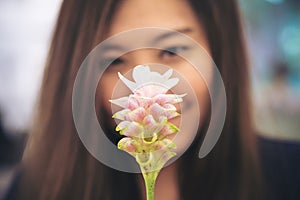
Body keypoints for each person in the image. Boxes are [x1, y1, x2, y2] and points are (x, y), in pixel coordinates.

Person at [5, 0, 267, 199]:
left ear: (219, 49)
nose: (146, 89)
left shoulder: (289, 173)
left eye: (172, 51)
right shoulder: (33, 189)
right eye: (114, 61)